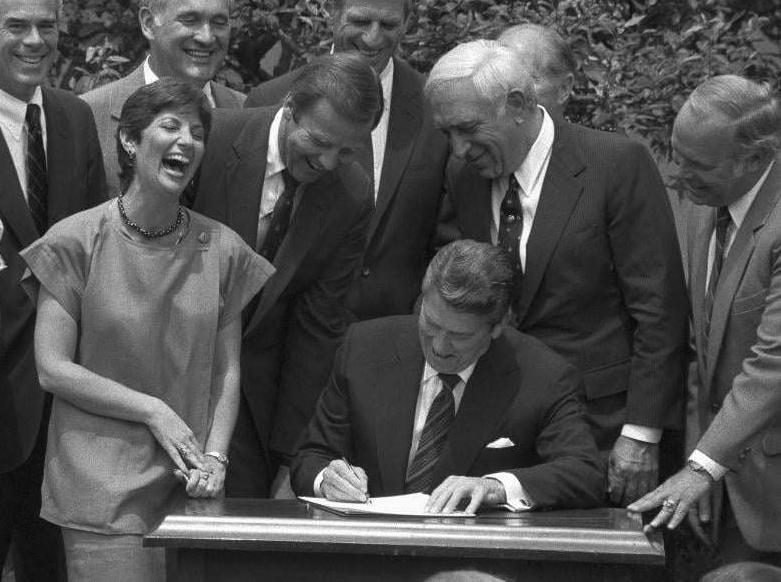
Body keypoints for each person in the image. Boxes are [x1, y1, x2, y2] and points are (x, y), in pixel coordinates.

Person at [22, 79, 272, 580]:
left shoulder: (223, 248)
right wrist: (153, 410)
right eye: (171, 126)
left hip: (191, 487)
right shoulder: (74, 240)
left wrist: (216, 459)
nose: (187, 141)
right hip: (100, 485)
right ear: (130, 141)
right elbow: (52, 368)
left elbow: (227, 371)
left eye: (198, 132)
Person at [429, 39, 688, 507]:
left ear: (518, 105)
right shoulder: (464, 176)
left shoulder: (615, 164)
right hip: (499, 426)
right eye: (447, 133)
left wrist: (642, 433)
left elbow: (660, 309)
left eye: (468, 129)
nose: (459, 148)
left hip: (604, 431)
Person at [0, 0, 107, 580]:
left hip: (68, 399)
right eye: (16, 26)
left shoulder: (75, 116)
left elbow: (98, 247)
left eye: (46, 26)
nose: (34, 41)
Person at [187, 52, 380, 498]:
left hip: (251, 406)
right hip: (164, 377)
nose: (329, 163)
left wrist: (294, 460)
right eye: (319, 141)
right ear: (289, 108)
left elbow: (318, 329)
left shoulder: (351, 194)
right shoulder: (210, 139)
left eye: (348, 151)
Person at [291, 240, 603, 512]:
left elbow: (584, 474)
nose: (439, 346)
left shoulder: (544, 376)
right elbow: (311, 456)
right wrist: (327, 479)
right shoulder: (363, 347)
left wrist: (493, 487)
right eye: (430, 323)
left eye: (459, 335)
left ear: (498, 327)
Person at [246, 0, 449, 321]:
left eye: (388, 23)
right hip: (286, 335)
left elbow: (449, 235)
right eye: (359, 21)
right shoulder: (270, 100)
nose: (372, 38)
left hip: (395, 337)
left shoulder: (435, 109)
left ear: (408, 19)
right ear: (329, 10)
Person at [630, 76, 781, 565]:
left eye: (698, 165)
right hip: (720, 483)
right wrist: (701, 462)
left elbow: (772, 365)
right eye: (677, 154)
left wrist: (702, 468)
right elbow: (699, 350)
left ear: (756, 159)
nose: (678, 174)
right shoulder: (705, 204)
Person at [83, 0, 245, 198]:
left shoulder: (247, 112)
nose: (207, 37)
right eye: (190, 20)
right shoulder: (90, 115)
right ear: (149, 24)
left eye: (219, 23)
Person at [496, 23, 577, 123]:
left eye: (523, 80)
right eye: (497, 78)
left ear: (564, 88)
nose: (506, 90)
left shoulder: (594, 139)